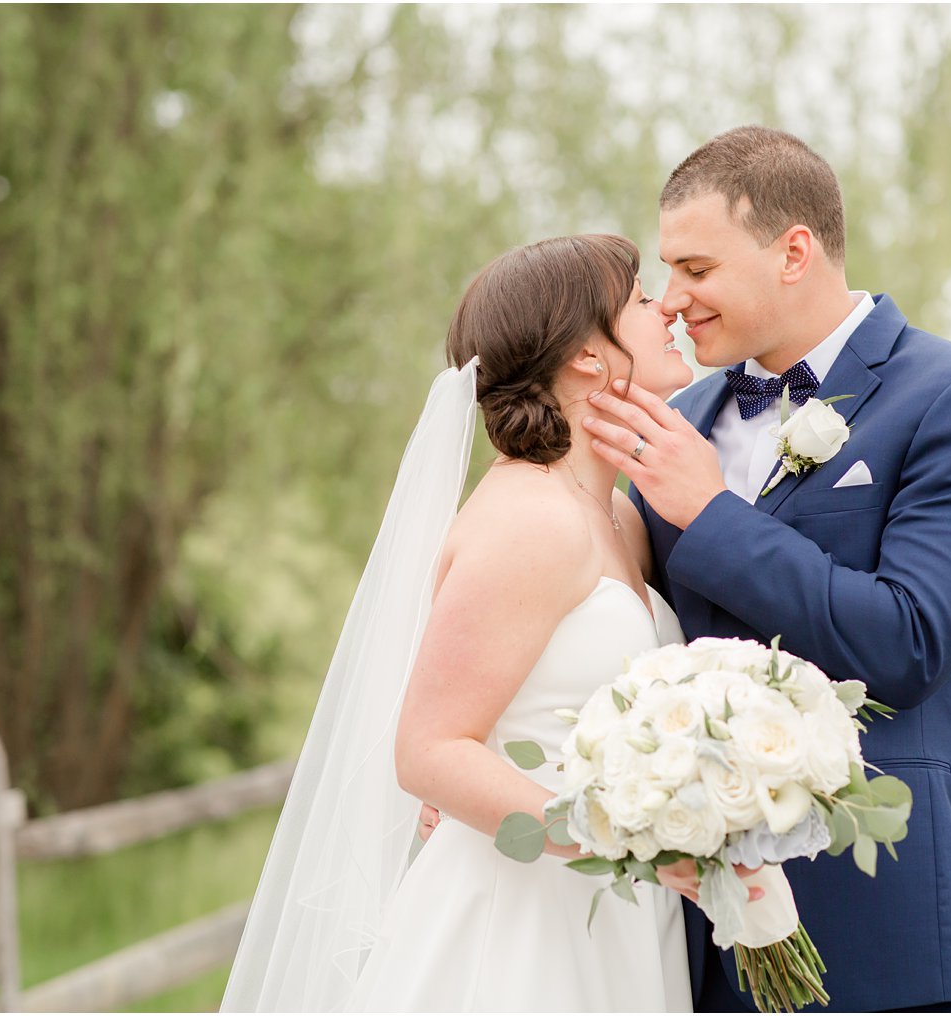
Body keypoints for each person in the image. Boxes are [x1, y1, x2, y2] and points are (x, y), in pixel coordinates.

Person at [582, 126, 951, 1013]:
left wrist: (712, 514)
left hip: (877, 917)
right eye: (668, 271)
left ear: (794, 251)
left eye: (697, 270)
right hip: (690, 929)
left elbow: (907, 641)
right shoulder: (684, 417)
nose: (672, 300)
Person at [221, 234, 702, 1012]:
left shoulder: (618, 517)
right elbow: (429, 751)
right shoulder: (530, 520)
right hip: (517, 928)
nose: (668, 308)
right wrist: (624, 835)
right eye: (643, 300)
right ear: (588, 355)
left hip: (612, 914)